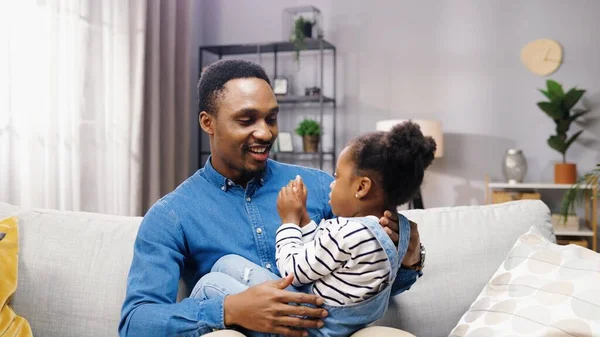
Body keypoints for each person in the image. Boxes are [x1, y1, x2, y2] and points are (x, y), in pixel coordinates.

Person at [119, 59, 425, 337]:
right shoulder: (173, 214)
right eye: (246, 120)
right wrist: (230, 309)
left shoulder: (322, 188)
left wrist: (407, 259)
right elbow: (136, 322)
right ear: (207, 123)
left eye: (271, 118)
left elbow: (362, 287)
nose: (265, 133)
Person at [193, 121, 435, 337]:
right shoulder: (395, 232)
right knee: (227, 264)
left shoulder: (346, 232)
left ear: (361, 187)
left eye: (338, 176)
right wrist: (305, 219)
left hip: (304, 325)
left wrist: (288, 221)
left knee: (209, 282)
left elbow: (292, 270)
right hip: (338, 323)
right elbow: (323, 261)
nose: (332, 184)